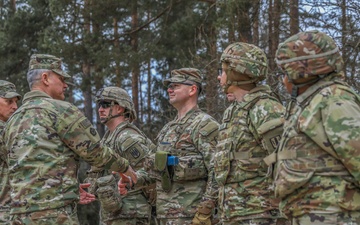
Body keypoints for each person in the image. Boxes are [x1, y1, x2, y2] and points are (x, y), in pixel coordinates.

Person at [2, 54, 137, 225]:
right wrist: (125, 168)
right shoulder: (61, 110)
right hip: (53, 215)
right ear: (45, 78)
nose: (65, 85)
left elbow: (23, 166)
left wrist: (68, 187)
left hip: (18, 215)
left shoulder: (13, 120)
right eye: (61, 78)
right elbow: (95, 152)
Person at [272, 30, 360, 224]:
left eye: (285, 72)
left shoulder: (334, 100)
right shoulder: (313, 101)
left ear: (301, 72)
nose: (282, 79)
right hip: (314, 214)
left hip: (333, 214)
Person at [215, 42, 288, 225]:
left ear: (236, 73)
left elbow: (284, 160)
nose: (219, 77)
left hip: (260, 213)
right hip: (235, 214)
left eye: (223, 71)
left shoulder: (265, 108)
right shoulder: (233, 111)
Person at [143, 68, 219, 225]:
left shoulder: (205, 125)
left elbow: (218, 170)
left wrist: (205, 211)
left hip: (192, 216)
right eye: (169, 86)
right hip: (164, 216)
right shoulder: (167, 129)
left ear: (192, 89)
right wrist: (132, 179)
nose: (169, 89)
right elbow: (158, 169)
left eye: (176, 85)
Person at [84, 86, 156, 225]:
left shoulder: (126, 137)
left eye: (105, 104)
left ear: (120, 108)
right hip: (115, 215)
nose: (100, 109)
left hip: (131, 214)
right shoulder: (108, 138)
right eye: (99, 105)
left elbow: (153, 172)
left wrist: (132, 182)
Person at [0, 80, 21, 224]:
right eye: (9, 102)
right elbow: (26, 163)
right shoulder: (4, 132)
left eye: (15, 102)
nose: (15, 107)